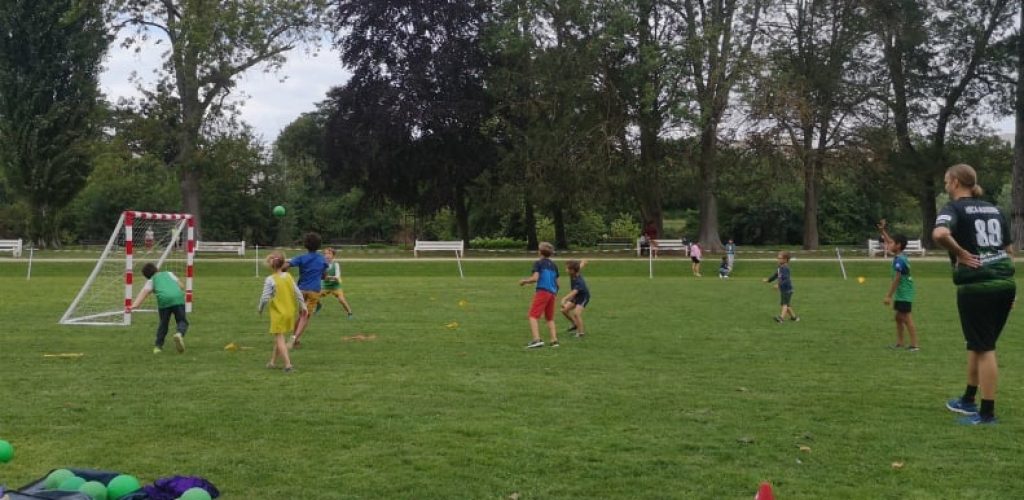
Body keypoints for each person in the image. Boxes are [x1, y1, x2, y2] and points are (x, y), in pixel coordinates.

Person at [934, 164, 1016, 425]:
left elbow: (940, 233)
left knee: (985, 348)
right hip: (1003, 284)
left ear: (956, 182)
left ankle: (987, 413)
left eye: (947, 182)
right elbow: (1009, 251)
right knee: (978, 343)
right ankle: (968, 399)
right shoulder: (994, 209)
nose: (946, 187)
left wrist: (960, 253)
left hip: (977, 287)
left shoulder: (954, 209)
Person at [258, 252, 306, 372]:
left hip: (278, 313)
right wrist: (303, 305)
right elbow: (297, 292)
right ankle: (272, 362)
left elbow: (264, 298)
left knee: (279, 337)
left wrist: (260, 308)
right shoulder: (288, 276)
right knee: (279, 337)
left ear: (271, 265)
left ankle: (288, 365)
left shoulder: (270, 279)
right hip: (290, 311)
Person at [878, 220, 919, 351]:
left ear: (899, 245)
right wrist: (882, 231)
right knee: (898, 318)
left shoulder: (899, 260)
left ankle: (914, 345)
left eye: (892, 243)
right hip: (902, 293)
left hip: (904, 292)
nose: (889, 245)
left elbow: (897, 279)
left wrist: (888, 296)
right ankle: (900, 343)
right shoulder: (899, 256)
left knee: (907, 318)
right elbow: (890, 240)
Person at [131, 262, 188, 354]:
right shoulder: (169, 273)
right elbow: (181, 286)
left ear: (147, 276)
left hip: (164, 301)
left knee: (163, 324)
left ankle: (158, 347)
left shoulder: (151, 281)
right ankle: (179, 333)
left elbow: (143, 294)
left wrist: (134, 306)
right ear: (156, 269)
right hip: (178, 298)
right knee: (182, 321)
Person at [283, 232, 327, 349]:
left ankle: (295, 339)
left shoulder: (301, 257)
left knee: (301, 314)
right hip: (314, 291)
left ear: (305, 245)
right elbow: (324, 275)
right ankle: (294, 339)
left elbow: (285, 265)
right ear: (319, 245)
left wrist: (283, 274)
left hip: (301, 290)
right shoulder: (322, 259)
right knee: (305, 316)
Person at [519, 241, 560, 348]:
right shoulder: (554, 265)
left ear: (540, 252)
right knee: (549, 318)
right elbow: (557, 283)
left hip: (543, 291)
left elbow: (535, 278)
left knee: (532, 315)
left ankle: (536, 340)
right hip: (552, 293)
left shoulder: (538, 263)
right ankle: (554, 341)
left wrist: (525, 281)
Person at [764, 251, 799, 322]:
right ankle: (794, 318)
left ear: (785, 259)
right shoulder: (780, 267)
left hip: (787, 290)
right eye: (778, 258)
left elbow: (786, 279)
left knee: (784, 304)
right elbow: (776, 275)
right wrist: (768, 280)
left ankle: (781, 318)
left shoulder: (785, 268)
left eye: (780, 258)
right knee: (787, 304)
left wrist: (778, 285)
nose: (778, 259)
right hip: (783, 289)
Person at [319, 247, 354, 318]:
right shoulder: (322, 265)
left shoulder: (336, 265)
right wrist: (325, 278)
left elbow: (337, 275)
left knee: (341, 300)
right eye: (325, 254)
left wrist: (335, 278)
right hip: (325, 286)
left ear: (333, 256)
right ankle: (318, 305)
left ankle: (349, 313)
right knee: (314, 296)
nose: (327, 255)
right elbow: (321, 276)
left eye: (329, 253)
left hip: (336, 286)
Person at [560, 259, 590, 338]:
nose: (566, 270)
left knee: (576, 313)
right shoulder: (574, 272)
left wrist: (564, 299)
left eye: (567, 268)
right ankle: (575, 324)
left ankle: (581, 333)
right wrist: (583, 262)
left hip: (583, 297)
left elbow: (574, 292)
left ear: (572, 270)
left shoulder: (579, 281)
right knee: (564, 310)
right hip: (576, 296)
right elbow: (579, 267)